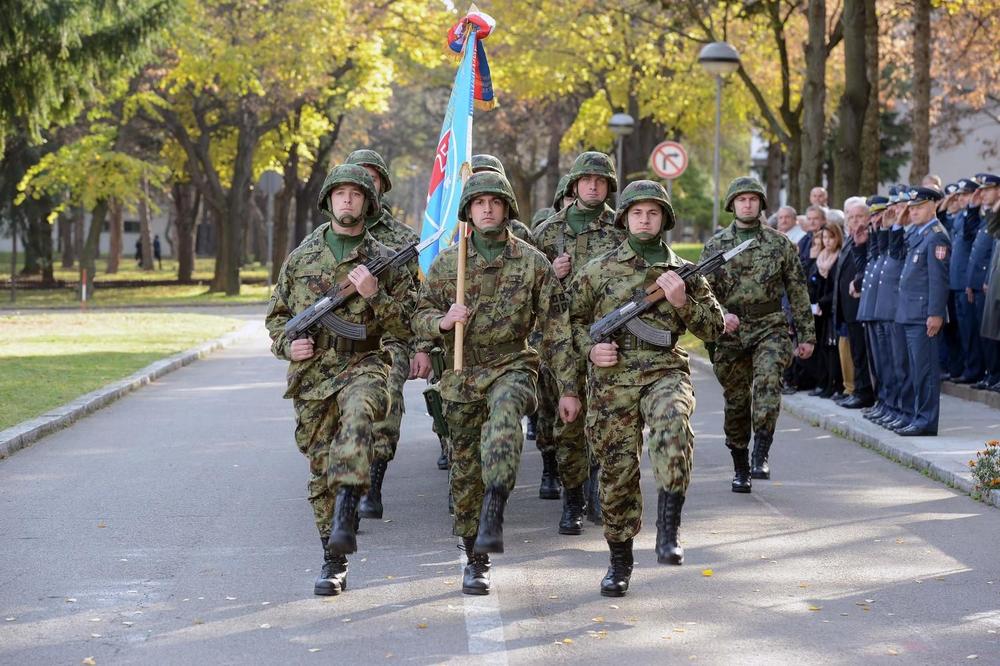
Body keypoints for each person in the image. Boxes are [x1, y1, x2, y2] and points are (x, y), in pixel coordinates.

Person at [412, 171, 581, 596]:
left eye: (495, 202)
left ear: (507, 209)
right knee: (466, 468)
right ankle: (475, 557)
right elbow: (419, 317)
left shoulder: (532, 262)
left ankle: (495, 508)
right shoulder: (449, 263)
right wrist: (442, 321)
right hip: (462, 371)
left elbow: (557, 330)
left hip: (512, 364)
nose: (487, 209)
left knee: (505, 423)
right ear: (468, 211)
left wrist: (568, 388)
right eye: (479, 202)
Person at [265, 164, 416, 596]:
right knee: (319, 470)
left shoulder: (385, 259)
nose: (348, 200)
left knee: (358, 417)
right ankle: (333, 560)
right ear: (328, 200)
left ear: (369, 203)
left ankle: (350, 503)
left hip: (365, 361)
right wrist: (288, 346)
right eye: (340, 193)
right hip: (313, 375)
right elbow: (277, 319)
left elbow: (408, 324)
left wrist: (375, 295)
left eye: (356, 193)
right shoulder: (302, 257)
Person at [569, 180, 724, 596]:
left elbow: (714, 328)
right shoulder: (598, 269)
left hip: (664, 370)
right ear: (624, 218)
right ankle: (620, 559)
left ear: (664, 219)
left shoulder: (683, 273)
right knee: (617, 472)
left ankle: (669, 529)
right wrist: (590, 350)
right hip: (612, 380)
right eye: (637, 212)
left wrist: (683, 302)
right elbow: (567, 324)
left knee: (673, 427)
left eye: (653, 213)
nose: (644, 219)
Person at [531, 151, 627, 533]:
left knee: (606, 420)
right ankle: (572, 499)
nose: (593, 186)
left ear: (609, 186)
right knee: (568, 423)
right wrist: (551, 275)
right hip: (560, 340)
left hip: (606, 336)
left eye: (600, 181)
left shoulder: (621, 230)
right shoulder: (547, 233)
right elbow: (527, 290)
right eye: (586, 180)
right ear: (574, 185)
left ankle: (598, 491)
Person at [700, 177, 815, 491]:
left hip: (770, 325)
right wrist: (720, 317)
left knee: (768, 384)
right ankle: (740, 466)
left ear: (761, 204)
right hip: (731, 331)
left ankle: (761, 452)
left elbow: (797, 290)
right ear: (732, 205)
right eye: (742, 199)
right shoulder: (716, 245)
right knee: (737, 401)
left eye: (753, 199)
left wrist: (806, 335)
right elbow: (702, 292)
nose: (747, 204)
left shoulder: (780, 243)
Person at [343, 149, 432, 521]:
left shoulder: (403, 239)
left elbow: (420, 300)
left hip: (389, 338)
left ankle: (372, 486)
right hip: (341, 341)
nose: (365, 183)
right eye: (358, 176)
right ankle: (346, 484)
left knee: (386, 404)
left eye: (373, 177)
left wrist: (422, 347)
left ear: (382, 185)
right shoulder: (331, 234)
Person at [893, 186, 949, 436]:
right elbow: (896, 251)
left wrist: (936, 313)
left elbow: (938, 280)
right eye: (912, 208)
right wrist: (898, 222)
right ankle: (917, 416)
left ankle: (926, 421)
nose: (913, 212)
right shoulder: (919, 234)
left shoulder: (936, 236)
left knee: (925, 371)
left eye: (919, 207)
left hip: (923, 314)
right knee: (914, 370)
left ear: (933, 206)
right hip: (910, 312)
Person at [835, 202, 875, 408]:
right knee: (856, 352)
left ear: (868, 218)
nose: (855, 221)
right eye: (851, 218)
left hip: (861, 304)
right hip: (848, 305)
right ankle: (858, 390)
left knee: (862, 352)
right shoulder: (850, 239)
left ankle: (865, 392)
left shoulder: (869, 238)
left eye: (860, 216)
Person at [807, 223, 844, 398]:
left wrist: (822, 303)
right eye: (825, 237)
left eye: (831, 237)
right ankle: (823, 383)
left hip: (831, 309)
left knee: (832, 348)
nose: (827, 241)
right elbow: (812, 281)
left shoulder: (839, 257)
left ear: (838, 238)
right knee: (822, 348)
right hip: (819, 310)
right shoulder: (821, 257)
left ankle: (834, 385)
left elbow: (836, 288)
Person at [470, 154, 533, 242]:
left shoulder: (519, 232)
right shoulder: (453, 229)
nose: (484, 183)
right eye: (477, 178)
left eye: (491, 178)